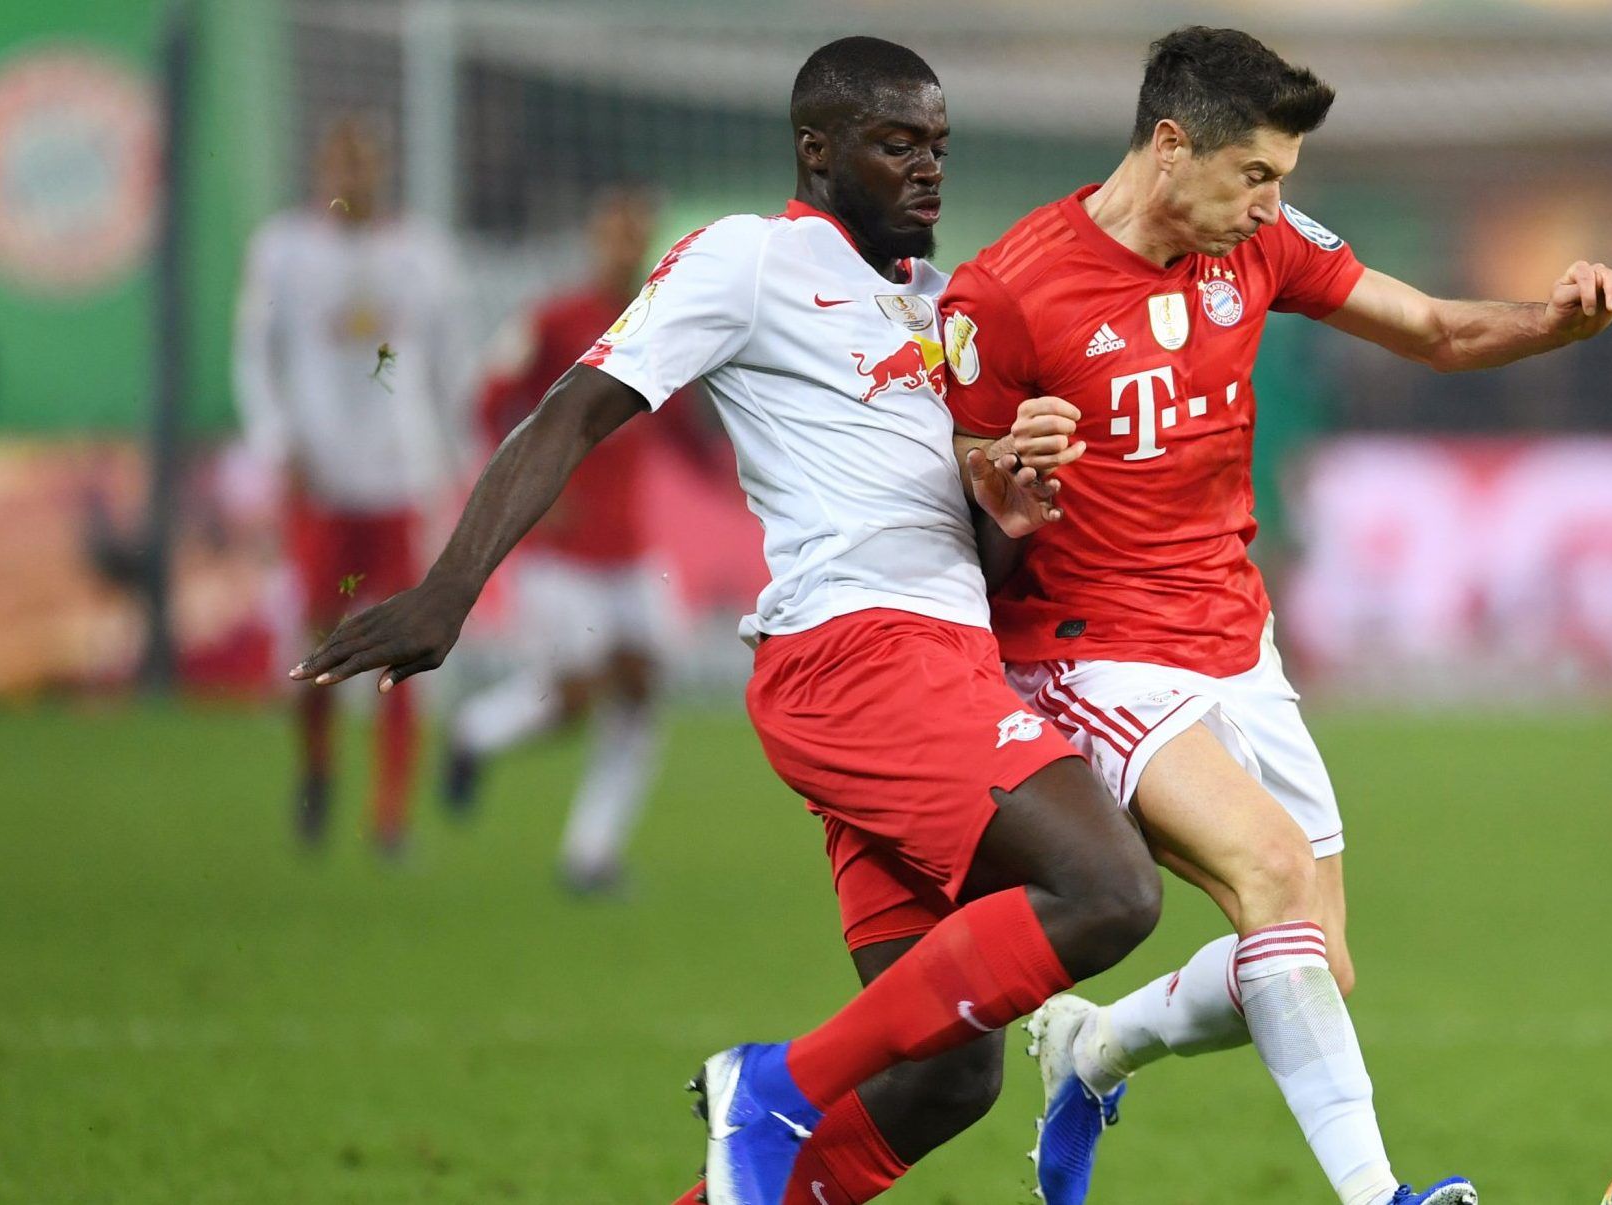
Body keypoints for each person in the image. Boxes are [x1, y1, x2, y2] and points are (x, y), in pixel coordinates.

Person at [285, 38, 1160, 1205]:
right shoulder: (748, 260)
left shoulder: (941, 308)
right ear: (817, 149)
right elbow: (572, 408)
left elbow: (968, 552)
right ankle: (776, 1080)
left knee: (949, 1076)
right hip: (865, 658)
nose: (927, 169)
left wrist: (1004, 511)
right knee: (1111, 887)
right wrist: (451, 588)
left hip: (941, 657)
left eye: (939, 147)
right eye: (897, 143)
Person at [939, 26, 1612, 1205]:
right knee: (1271, 870)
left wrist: (1554, 322)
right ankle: (1381, 1195)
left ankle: (1096, 1045)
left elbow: (1433, 330)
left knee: (1318, 961)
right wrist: (1005, 478)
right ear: (1172, 146)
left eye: (1283, 177)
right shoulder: (1007, 293)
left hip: (1237, 639)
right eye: (1255, 174)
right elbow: (955, 513)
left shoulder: (1259, 240)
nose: (1272, 203)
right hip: (1091, 653)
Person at [444, 188, 701, 894]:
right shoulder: (553, 321)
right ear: (593, 238)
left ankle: (591, 854)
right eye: (614, 232)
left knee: (641, 686)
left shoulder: (662, 322)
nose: (625, 245)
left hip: (629, 549)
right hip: (558, 551)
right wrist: (532, 486)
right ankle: (475, 731)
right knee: (572, 699)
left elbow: (682, 426)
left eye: (636, 233)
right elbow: (488, 402)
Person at [235, 115, 467, 855]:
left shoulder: (422, 254)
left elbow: (448, 366)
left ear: (382, 169)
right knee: (317, 642)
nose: (351, 176)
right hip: (321, 480)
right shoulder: (283, 249)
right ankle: (317, 766)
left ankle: (390, 814)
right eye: (340, 162)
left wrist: (455, 457)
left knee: (406, 647)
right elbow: (254, 353)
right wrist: (277, 442)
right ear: (320, 169)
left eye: (363, 163)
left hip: (400, 480)